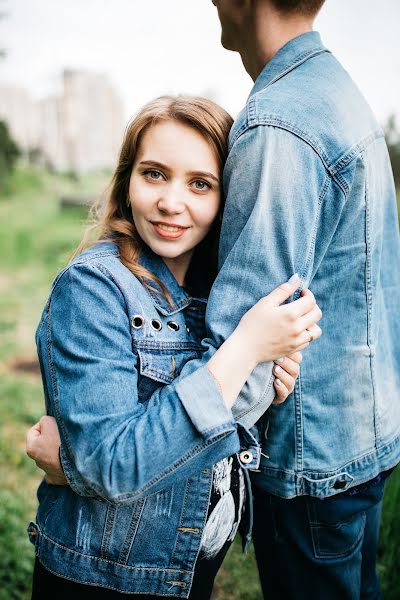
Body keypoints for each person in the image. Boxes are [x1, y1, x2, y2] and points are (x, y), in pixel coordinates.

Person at [26, 95, 322, 599]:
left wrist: (266, 392)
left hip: (189, 564)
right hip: (104, 573)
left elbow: (211, 432)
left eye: (200, 184)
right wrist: (245, 349)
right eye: (154, 174)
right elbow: (112, 464)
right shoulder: (94, 289)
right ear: (127, 180)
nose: (171, 202)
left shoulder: (220, 296)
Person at [204, 1, 399, 599]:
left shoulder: (279, 122)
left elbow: (246, 346)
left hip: (312, 456)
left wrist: (149, 458)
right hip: (363, 431)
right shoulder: (335, 90)